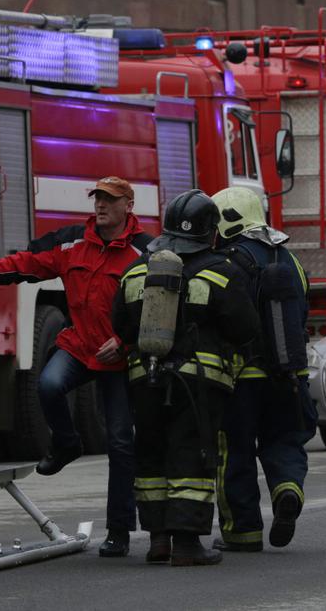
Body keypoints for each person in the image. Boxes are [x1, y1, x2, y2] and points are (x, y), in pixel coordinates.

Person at [0, 175, 146, 559]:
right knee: (49, 385)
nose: (101, 205)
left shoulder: (144, 252)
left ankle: (118, 531)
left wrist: (126, 342)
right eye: (98, 198)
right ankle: (67, 444)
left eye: (110, 199)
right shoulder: (71, 242)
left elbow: (158, 309)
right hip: (79, 346)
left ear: (128, 206)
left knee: (121, 443)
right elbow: (26, 264)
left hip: (119, 357)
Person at [112, 189, 261, 567]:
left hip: (144, 380)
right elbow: (246, 329)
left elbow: (121, 327)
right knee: (191, 457)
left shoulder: (136, 271)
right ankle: (188, 544)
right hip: (198, 386)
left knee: (151, 456)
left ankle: (158, 541)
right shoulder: (222, 273)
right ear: (211, 233)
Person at [210, 186, 316, 553]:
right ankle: (288, 488)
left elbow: (221, 318)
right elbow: (302, 314)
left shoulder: (227, 261)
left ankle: (243, 532)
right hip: (290, 375)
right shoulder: (290, 259)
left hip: (242, 378)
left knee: (235, 451)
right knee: (285, 440)